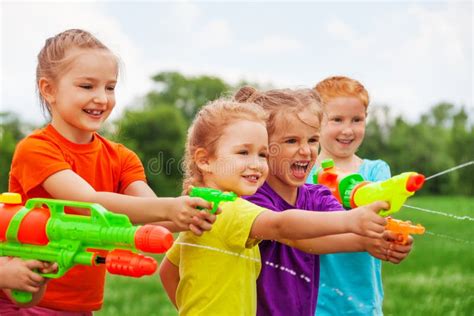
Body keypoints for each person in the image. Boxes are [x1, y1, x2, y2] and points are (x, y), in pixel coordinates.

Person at [5, 29, 215, 314]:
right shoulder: (36, 149)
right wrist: (170, 208)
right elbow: (85, 202)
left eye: (110, 87)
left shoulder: (121, 157)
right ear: (49, 90)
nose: (102, 98)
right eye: (87, 86)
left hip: (80, 307)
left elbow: (155, 215)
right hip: (22, 300)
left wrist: (198, 212)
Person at [159, 98, 390, 315]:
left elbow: (167, 271)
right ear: (204, 160)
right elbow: (281, 225)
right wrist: (350, 220)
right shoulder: (228, 210)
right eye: (243, 153)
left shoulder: (203, 211)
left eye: (262, 155)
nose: (257, 164)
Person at [235, 86, 413, 316]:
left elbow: (333, 234)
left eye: (312, 140)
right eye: (291, 141)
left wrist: (381, 237)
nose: (306, 150)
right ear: (263, 147)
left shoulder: (317, 196)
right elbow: (287, 230)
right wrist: (355, 225)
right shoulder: (253, 197)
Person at [307, 76, 402, 315]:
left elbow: (384, 222)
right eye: (337, 119)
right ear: (315, 122)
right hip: (314, 304)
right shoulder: (303, 176)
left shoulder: (376, 171)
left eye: (357, 120)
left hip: (363, 304)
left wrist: (396, 241)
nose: (348, 130)